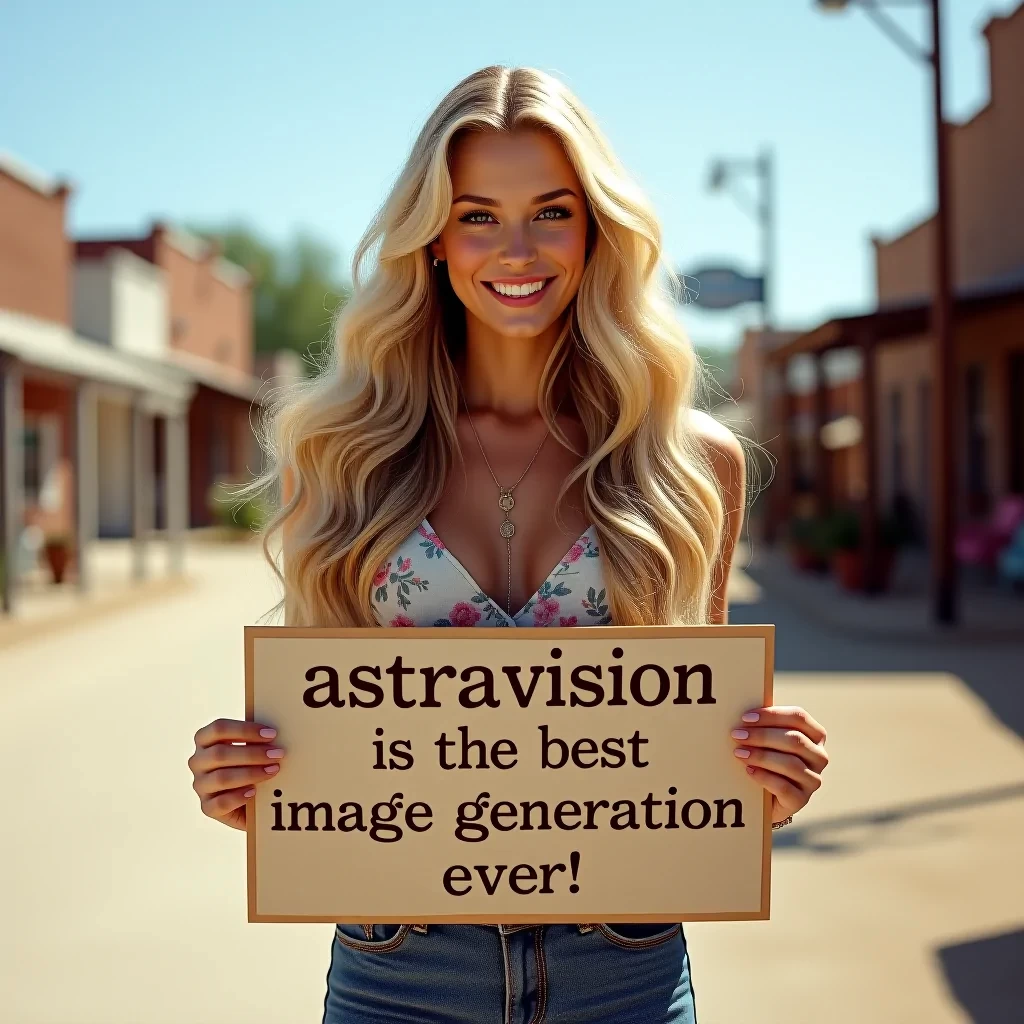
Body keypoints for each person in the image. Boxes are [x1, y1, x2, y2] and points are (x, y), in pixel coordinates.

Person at [187, 65, 829, 1023]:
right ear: (433, 237)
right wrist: (249, 782)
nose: (516, 249)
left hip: (625, 965)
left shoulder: (692, 464)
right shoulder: (338, 454)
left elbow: (689, 747)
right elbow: (323, 744)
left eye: (552, 212)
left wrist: (760, 783)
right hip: (399, 968)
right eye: (478, 214)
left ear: (597, 229)